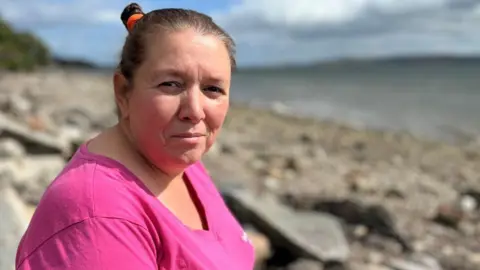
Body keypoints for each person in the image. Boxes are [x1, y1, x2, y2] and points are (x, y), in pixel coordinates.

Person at [15, 3, 255, 270]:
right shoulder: (100, 218)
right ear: (123, 92)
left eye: (213, 88)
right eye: (171, 84)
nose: (195, 111)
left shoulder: (180, 161)